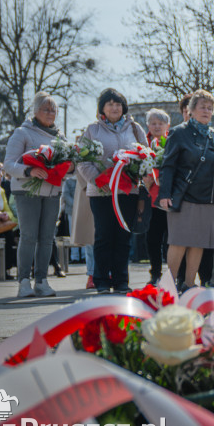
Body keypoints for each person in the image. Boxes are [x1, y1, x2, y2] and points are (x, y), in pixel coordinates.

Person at [158, 90, 214, 288]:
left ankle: (189, 284)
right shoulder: (179, 133)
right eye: (202, 107)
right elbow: (168, 165)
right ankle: (168, 285)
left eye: (210, 108)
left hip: (209, 199)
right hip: (184, 196)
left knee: (199, 242)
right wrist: (164, 194)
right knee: (179, 241)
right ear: (191, 110)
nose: (206, 111)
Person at [77, 88, 147, 293]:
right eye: (110, 104)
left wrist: (135, 174)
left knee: (123, 236)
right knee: (103, 236)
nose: (114, 107)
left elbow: (146, 153)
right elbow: (82, 159)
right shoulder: (92, 130)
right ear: (102, 108)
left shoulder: (134, 128)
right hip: (102, 192)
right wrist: (97, 179)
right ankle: (100, 279)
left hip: (127, 191)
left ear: (123, 107)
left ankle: (121, 280)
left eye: (118, 104)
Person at [4, 92, 72, 298]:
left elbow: (69, 166)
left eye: (54, 110)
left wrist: (69, 168)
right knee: (29, 236)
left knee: (46, 238)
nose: (50, 113)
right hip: (26, 191)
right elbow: (9, 164)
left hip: (52, 192)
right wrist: (29, 171)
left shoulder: (61, 138)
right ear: (35, 111)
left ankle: (42, 281)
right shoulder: (22, 133)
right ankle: (24, 282)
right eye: (46, 109)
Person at [143, 108, 172, 284]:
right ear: (148, 125)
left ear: (167, 125)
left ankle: (172, 272)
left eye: (160, 123)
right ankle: (155, 273)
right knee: (152, 237)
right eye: (153, 123)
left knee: (170, 238)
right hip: (148, 198)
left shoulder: (172, 141)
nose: (156, 126)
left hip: (168, 197)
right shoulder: (142, 142)